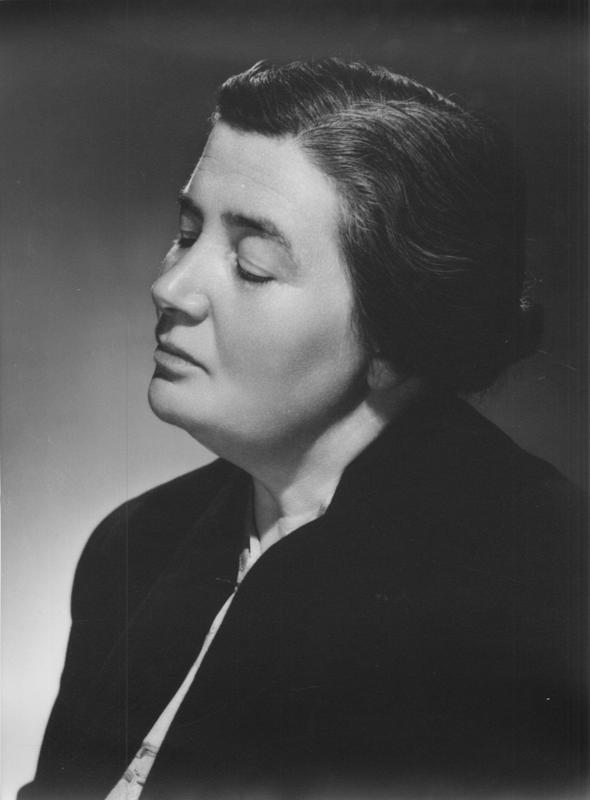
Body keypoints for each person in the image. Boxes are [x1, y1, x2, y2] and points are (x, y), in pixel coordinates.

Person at [20, 59, 587, 800]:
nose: (170, 287)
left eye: (252, 265)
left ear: (398, 334)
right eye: (187, 232)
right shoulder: (136, 545)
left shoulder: (542, 586)